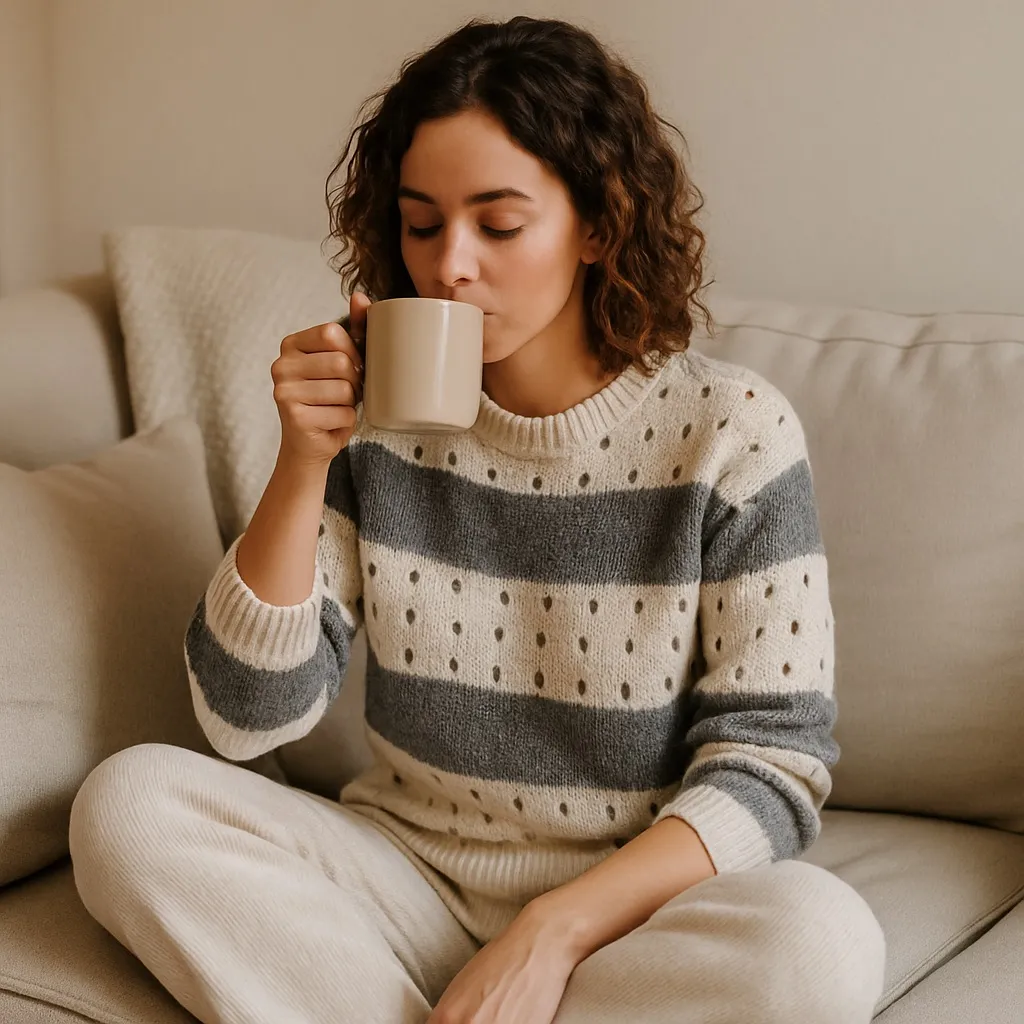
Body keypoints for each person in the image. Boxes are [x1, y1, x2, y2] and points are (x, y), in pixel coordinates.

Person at [69, 15, 885, 1024]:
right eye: (422, 225)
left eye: (498, 225)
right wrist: (303, 459)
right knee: (129, 804)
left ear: (599, 224)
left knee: (821, 941)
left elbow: (774, 764)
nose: (449, 263)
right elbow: (246, 718)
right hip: (401, 879)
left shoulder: (731, 435)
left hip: (628, 918)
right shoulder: (375, 425)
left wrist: (552, 931)